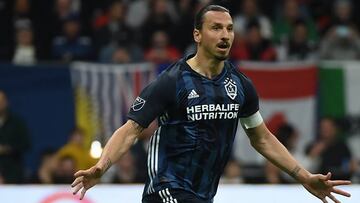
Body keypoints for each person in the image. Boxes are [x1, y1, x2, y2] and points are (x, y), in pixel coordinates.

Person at [72, 5, 352, 203]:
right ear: (197, 35)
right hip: (167, 190)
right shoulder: (171, 81)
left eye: (229, 28)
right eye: (216, 28)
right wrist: (101, 167)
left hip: (204, 195)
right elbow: (130, 130)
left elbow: (262, 138)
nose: (225, 35)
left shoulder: (241, 86)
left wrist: (303, 177)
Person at [0, 90, 31, 183]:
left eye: (2, 100)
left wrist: (6, 149)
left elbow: (26, 144)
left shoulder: (17, 123)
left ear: (7, 102)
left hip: (13, 172)